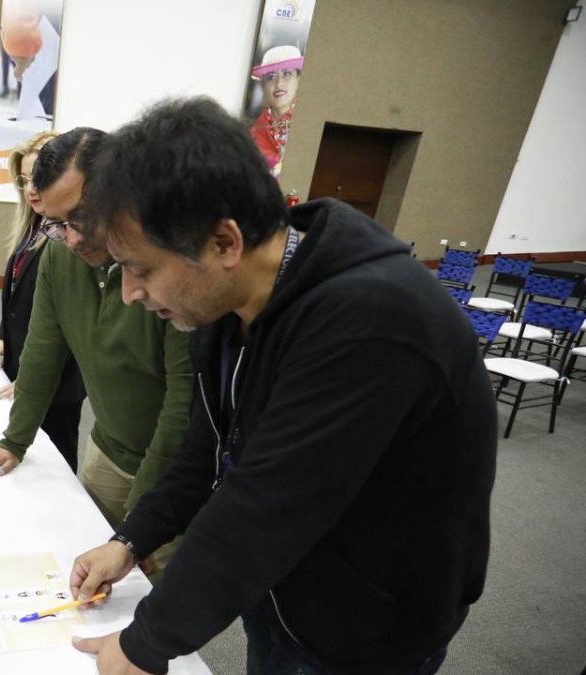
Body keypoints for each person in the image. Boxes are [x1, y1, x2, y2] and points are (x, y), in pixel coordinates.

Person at [69, 97, 496, 674]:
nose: (130, 294)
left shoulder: (373, 319)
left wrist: (146, 643)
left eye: (141, 269)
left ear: (224, 243)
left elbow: (265, 505)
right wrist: (131, 539)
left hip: (364, 631)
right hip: (282, 591)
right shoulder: (225, 305)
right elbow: (206, 451)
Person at [0, 128, 193, 573]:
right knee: (84, 565)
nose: (71, 238)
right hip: (107, 449)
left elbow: (184, 401)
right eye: (56, 223)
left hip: (172, 472)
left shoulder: (165, 265)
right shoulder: (60, 254)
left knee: (151, 590)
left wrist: (142, 521)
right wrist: (14, 441)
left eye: (80, 218)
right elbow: (42, 353)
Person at [0, 131, 86, 471]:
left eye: (38, 178)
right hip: (26, 366)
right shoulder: (32, 229)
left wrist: (33, 379)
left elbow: (72, 325)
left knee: (56, 466)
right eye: (24, 180)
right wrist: (3, 337)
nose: (30, 189)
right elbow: (17, 293)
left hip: (57, 383)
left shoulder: (70, 240)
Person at [249, 45, 304, 178]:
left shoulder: (309, 123)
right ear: (263, 86)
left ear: (299, 79)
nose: (279, 84)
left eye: (287, 74)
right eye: (271, 77)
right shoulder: (253, 136)